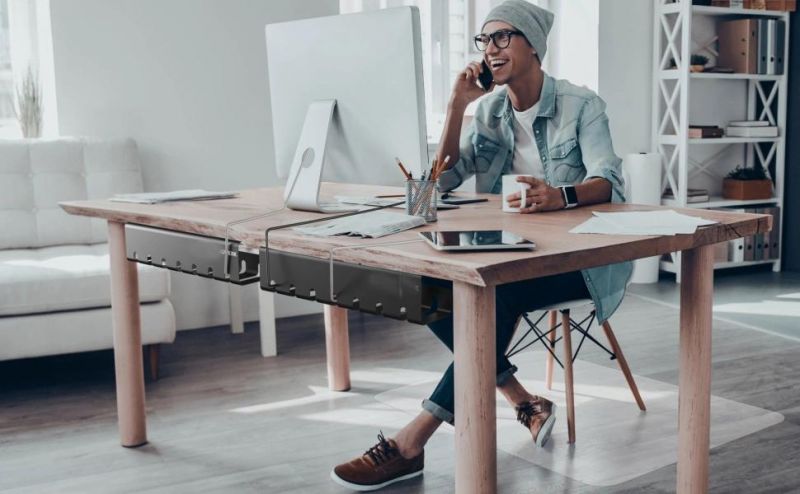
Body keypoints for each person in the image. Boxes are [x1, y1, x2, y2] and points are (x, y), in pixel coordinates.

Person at [330, 1, 632, 491]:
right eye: (484, 40)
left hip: (580, 256)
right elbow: (435, 186)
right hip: (511, 249)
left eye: (502, 37)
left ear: (534, 44)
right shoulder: (489, 110)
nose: (490, 49)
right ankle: (521, 399)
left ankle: (411, 442)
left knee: (493, 293)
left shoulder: (582, 105)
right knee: (425, 285)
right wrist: (456, 105)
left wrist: (558, 196)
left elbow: (611, 184)